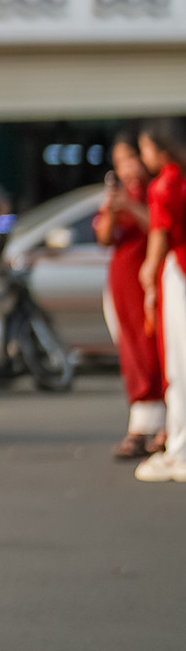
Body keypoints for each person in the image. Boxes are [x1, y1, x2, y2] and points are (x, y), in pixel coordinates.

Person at [94, 133, 164, 462]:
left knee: (153, 352)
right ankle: (143, 424)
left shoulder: (157, 190)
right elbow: (104, 238)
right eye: (119, 162)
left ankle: (157, 425)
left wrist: (132, 208)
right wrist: (111, 209)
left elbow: (161, 228)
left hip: (148, 278)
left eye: (131, 159)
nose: (127, 168)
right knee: (132, 352)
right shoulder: (118, 195)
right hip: (122, 280)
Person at [134, 120, 186, 485]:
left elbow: (159, 233)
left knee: (179, 367)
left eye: (145, 149)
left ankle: (180, 451)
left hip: (179, 273)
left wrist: (149, 272)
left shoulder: (165, 184)